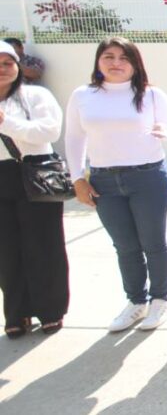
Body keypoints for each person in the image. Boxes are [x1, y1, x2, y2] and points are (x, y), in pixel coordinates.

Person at [66, 37, 167, 332]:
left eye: (123, 58)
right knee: (125, 246)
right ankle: (136, 302)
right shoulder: (83, 95)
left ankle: (159, 300)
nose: (116, 63)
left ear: (135, 63)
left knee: (153, 243)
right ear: (98, 61)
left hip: (148, 177)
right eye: (109, 56)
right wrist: (77, 178)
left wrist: (164, 132)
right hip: (105, 180)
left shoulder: (151, 95)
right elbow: (75, 139)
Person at [0, 41, 68, 337]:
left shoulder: (36, 95)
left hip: (35, 171)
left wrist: (7, 122)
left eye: (7, 63)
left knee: (43, 245)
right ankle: (17, 313)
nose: (2, 69)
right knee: (7, 250)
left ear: (17, 66)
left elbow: (49, 131)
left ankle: (50, 310)